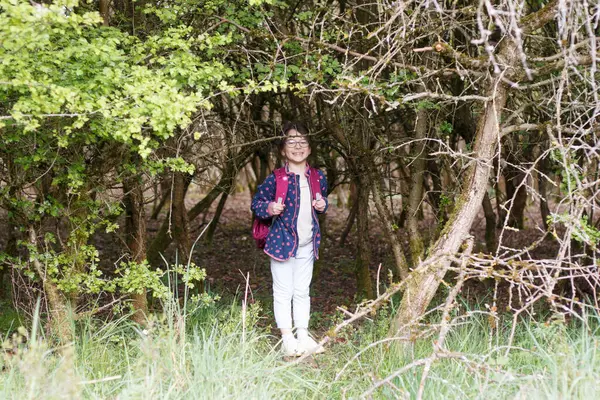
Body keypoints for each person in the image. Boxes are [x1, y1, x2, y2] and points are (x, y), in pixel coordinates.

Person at [251, 121, 328, 356]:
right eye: (291, 141)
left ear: (310, 147)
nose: (297, 146)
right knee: (283, 291)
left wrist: (323, 205)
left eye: (302, 141)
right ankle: (287, 338)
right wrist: (270, 207)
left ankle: (303, 335)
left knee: (302, 290)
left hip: (307, 242)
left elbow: (320, 203)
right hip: (281, 243)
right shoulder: (276, 179)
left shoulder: (318, 177)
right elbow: (257, 204)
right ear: (283, 150)